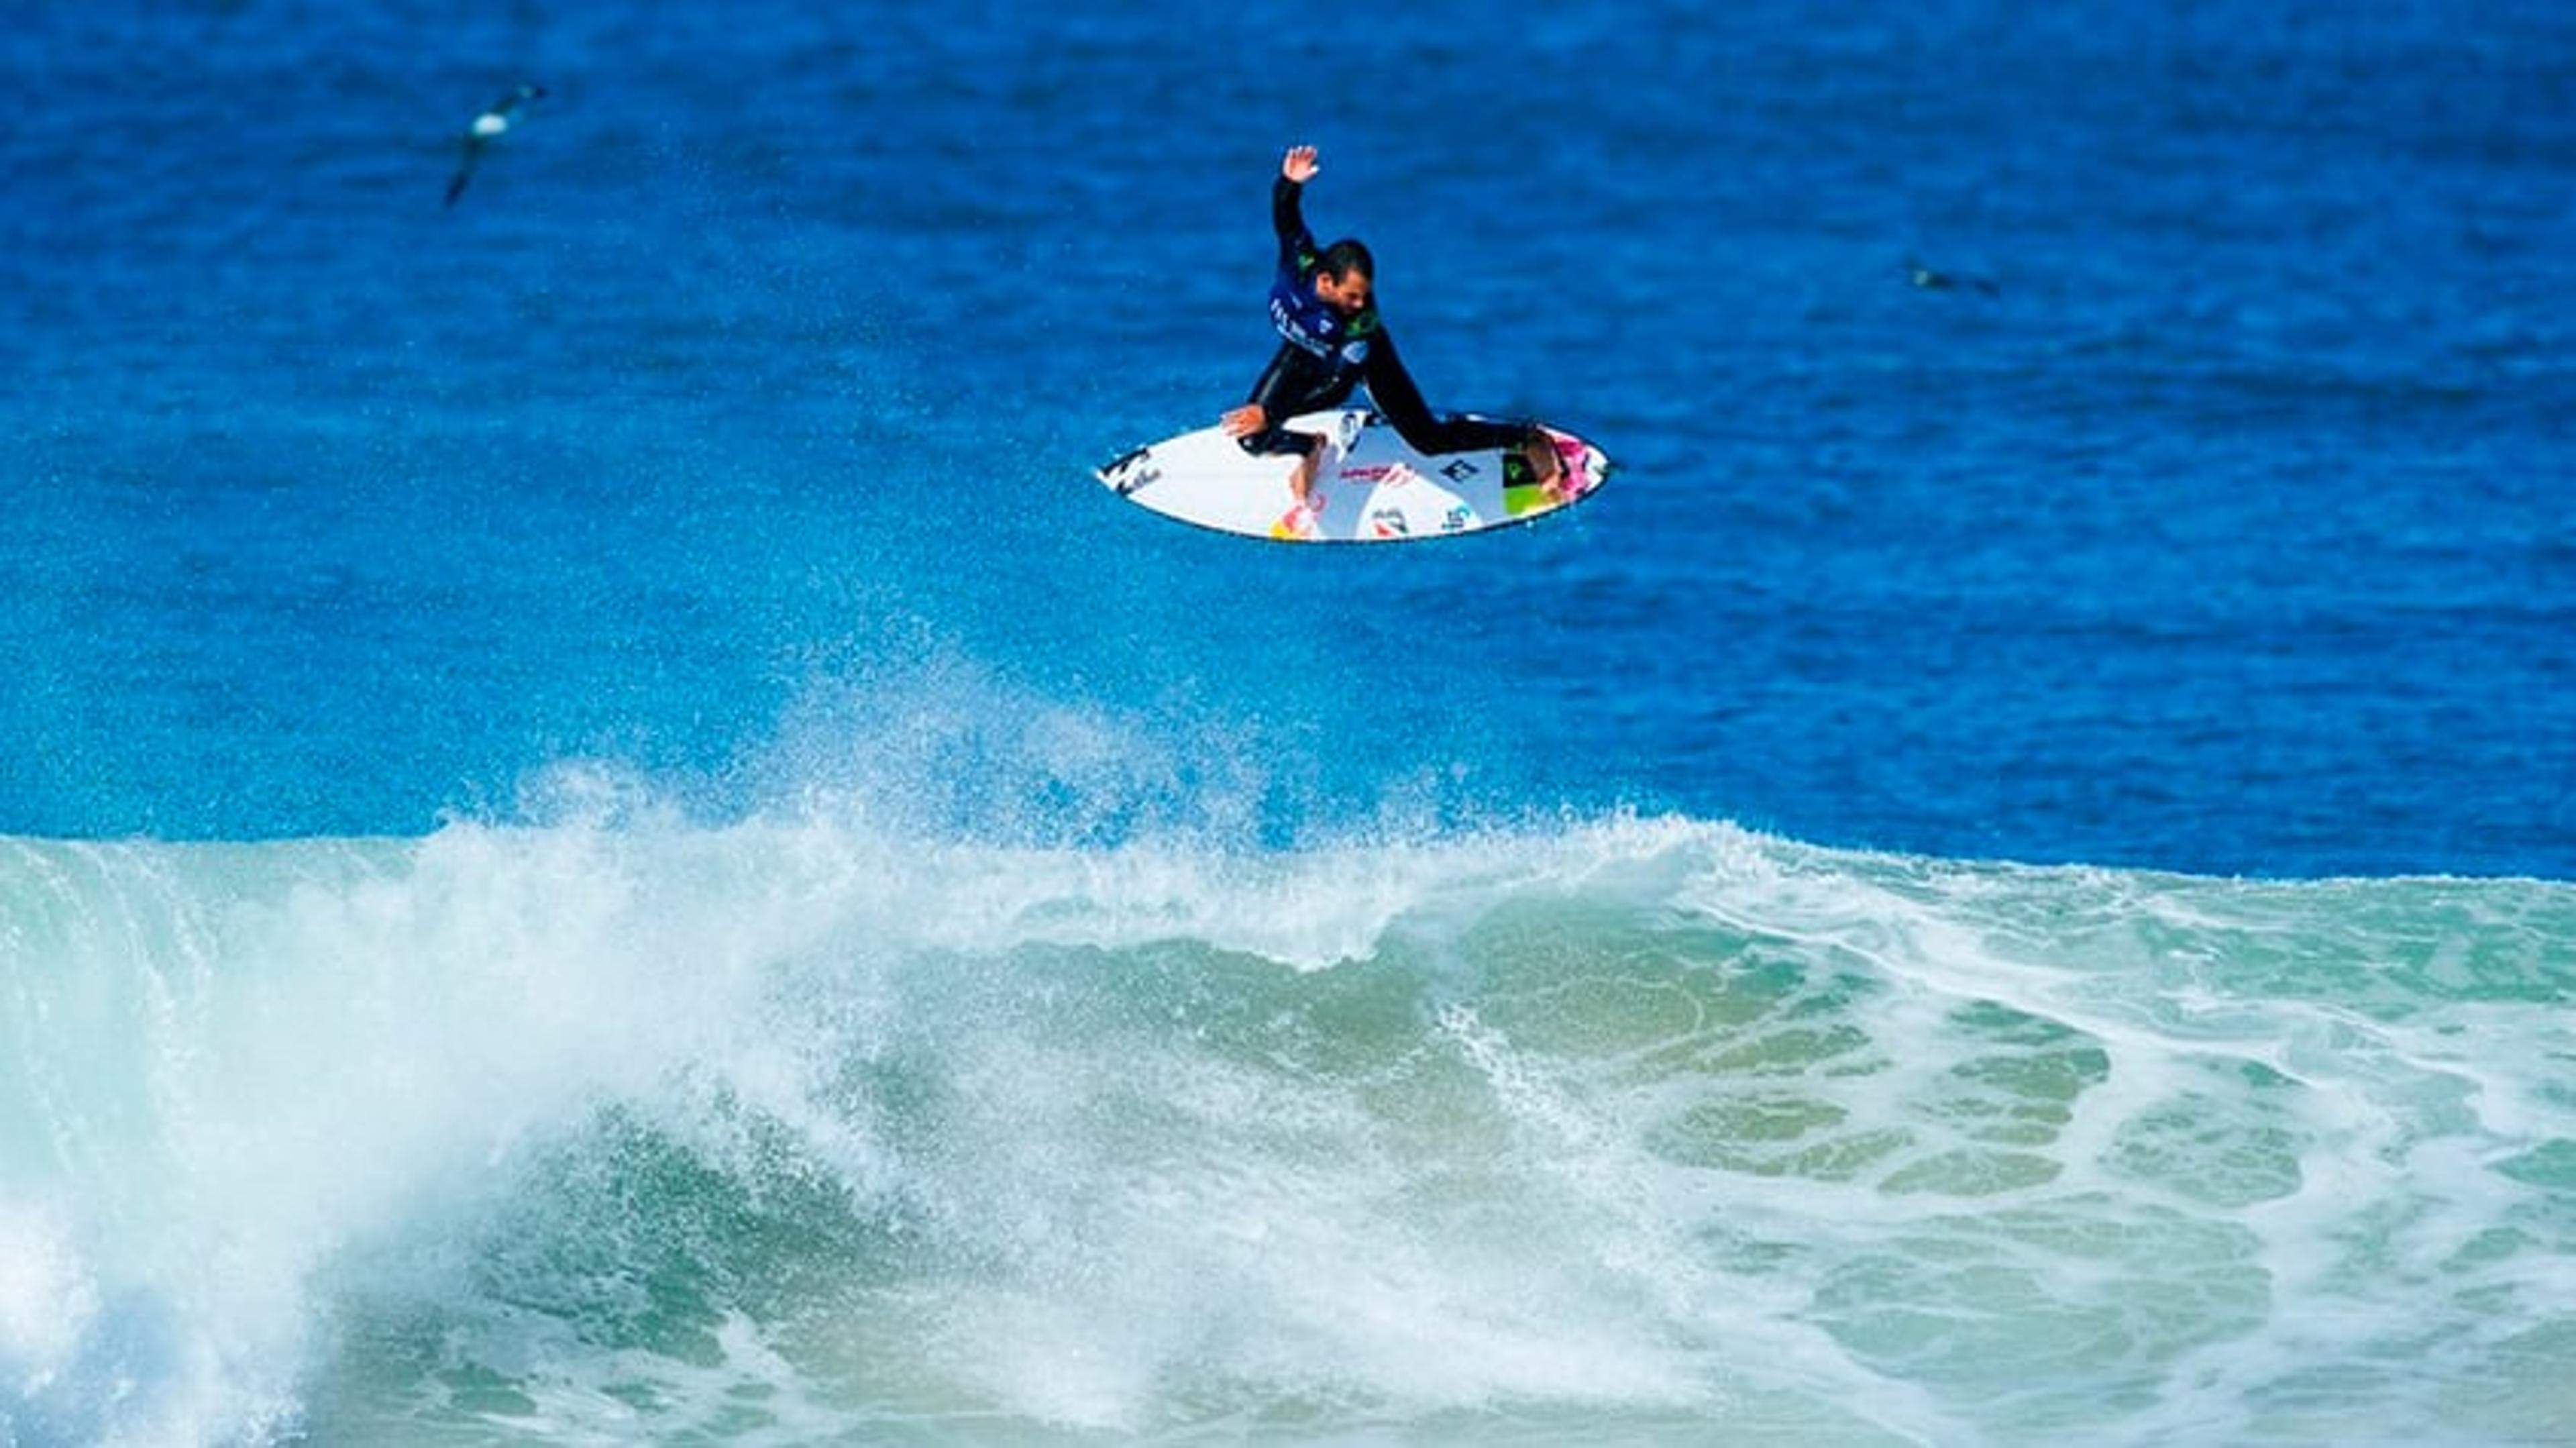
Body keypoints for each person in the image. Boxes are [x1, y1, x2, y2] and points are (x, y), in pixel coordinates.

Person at [1221, 145, 1565, 508]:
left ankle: (1526, 438)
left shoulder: (1361, 325)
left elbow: (1339, 390)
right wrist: (1290, 183)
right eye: (1352, 296)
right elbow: (1285, 214)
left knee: (1429, 441)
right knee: (1253, 440)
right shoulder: (1299, 261)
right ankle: (1309, 448)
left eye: (1364, 295)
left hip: (1364, 363)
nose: (1361, 304)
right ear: (1325, 282)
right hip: (1302, 354)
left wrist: (1272, 413)